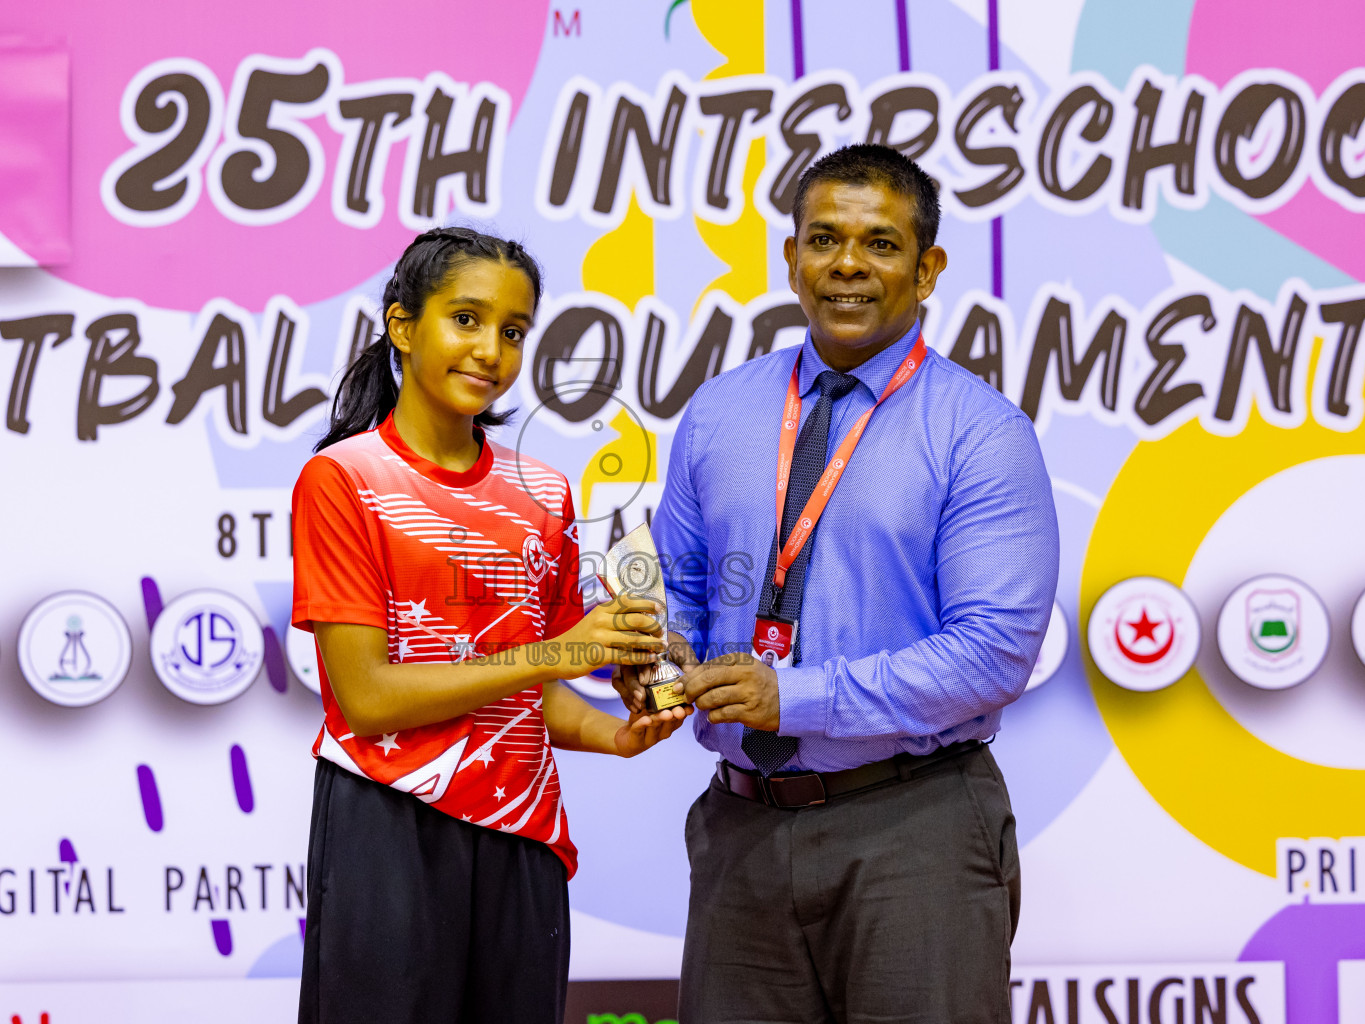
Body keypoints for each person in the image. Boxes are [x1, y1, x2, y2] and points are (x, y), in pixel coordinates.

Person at [617, 145, 1059, 1022]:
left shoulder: (980, 433)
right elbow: (682, 591)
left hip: (913, 825)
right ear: (791, 258)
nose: (848, 264)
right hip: (740, 829)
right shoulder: (720, 412)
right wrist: (654, 656)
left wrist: (795, 696)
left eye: (881, 244)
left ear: (927, 268)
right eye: (824, 238)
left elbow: (993, 655)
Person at [292, 227, 692, 1024]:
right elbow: (367, 698)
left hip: (522, 833)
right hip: (389, 821)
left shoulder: (541, 491)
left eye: (512, 331)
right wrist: (556, 651)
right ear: (402, 326)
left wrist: (614, 731)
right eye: (465, 319)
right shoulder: (343, 479)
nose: (490, 351)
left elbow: (527, 700)